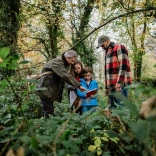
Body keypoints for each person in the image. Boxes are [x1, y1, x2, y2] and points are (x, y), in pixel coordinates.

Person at [35, 50, 86, 118]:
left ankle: (49, 124)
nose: (73, 63)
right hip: (45, 90)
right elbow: (66, 76)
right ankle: (49, 126)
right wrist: (78, 85)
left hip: (48, 90)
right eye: (72, 61)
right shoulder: (57, 62)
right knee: (49, 111)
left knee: (49, 110)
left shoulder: (62, 63)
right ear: (67, 58)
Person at [96, 35, 132, 110]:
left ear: (108, 41)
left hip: (120, 85)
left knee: (122, 109)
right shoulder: (106, 52)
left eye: (102, 45)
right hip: (111, 87)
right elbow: (108, 72)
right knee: (112, 109)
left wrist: (119, 83)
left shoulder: (119, 47)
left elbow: (124, 65)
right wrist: (107, 87)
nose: (102, 47)